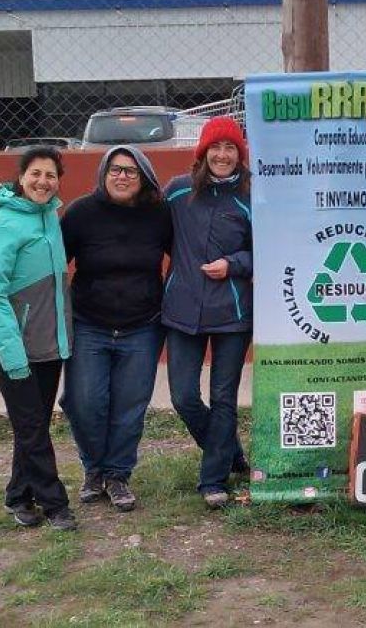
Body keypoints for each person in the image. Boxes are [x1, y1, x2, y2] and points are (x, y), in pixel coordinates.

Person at [59, 146, 172, 512]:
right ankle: (94, 470)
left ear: (144, 178)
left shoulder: (159, 214)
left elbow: (185, 255)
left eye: (131, 171)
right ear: (103, 174)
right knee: (84, 401)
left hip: (143, 326)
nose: (122, 177)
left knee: (129, 406)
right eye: (115, 170)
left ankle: (118, 475)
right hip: (89, 324)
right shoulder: (79, 214)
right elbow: (53, 261)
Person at [0, 146, 76, 531]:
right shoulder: (3, 223)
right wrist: (12, 352)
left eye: (51, 175)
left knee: (30, 427)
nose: (43, 182)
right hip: (12, 351)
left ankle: (18, 497)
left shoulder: (50, 216)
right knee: (32, 427)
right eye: (36, 174)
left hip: (47, 348)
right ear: (21, 178)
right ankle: (55, 505)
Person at [163, 116, 253, 509]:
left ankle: (213, 480)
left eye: (230, 148)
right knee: (183, 396)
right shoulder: (177, 192)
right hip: (182, 311)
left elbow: (267, 249)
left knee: (223, 398)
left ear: (240, 155)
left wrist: (233, 264)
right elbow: (151, 234)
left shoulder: (251, 198)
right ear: (202, 152)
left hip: (232, 313)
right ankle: (229, 451)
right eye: (215, 148)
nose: (222, 155)